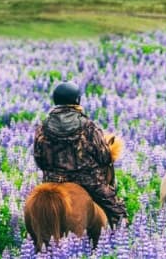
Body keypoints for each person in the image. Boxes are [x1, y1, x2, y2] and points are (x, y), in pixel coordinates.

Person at [33, 82, 128, 227]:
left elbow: (39, 158)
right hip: (87, 181)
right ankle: (121, 233)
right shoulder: (88, 125)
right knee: (117, 210)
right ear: (77, 100)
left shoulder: (43, 126)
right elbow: (103, 156)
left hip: (52, 179)